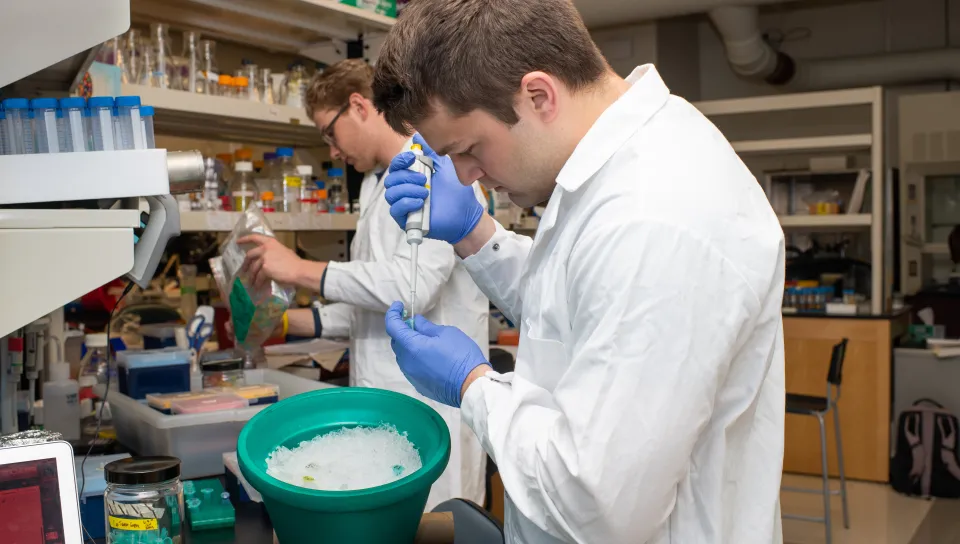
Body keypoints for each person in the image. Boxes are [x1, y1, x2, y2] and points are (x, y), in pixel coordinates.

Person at [372, 1, 786, 542]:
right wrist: (476, 234)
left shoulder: (656, 216)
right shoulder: (612, 168)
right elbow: (579, 312)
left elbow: (594, 502)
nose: (467, 176)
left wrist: (473, 384)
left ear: (538, 95)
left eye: (469, 150)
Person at [238, 59, 488, 510]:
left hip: (433, 406)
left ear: (358, 105)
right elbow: (370, 304)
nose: (332, 151)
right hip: (385, 416)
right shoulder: (377, 186)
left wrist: (298, 269)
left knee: (441, 525)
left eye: (329, 133)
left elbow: (411, 288)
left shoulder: (436, 172)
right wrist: (281, 321)